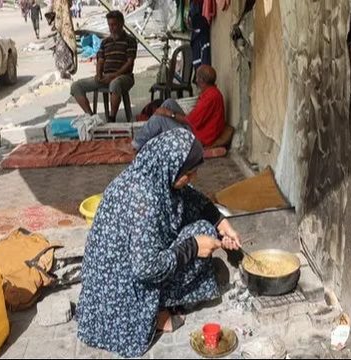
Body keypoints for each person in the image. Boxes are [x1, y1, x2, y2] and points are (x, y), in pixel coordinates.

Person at [77, 128, 241, 358]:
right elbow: (145, 268)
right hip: (121, 295)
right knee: (200, 234)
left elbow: (191, 197)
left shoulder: (152, 173)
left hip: (119, 276)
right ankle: (154, 314)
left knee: (204, 225)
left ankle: (159, 305)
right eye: (189, 173)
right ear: (171, 168)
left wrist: (221, 222)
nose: (193, 178)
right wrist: (193, 247)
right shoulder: (144, 200)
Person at [132, 65, 225, 151]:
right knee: (169, 102)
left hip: (196, 138)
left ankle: (135, 145)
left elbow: (190, 121)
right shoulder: (211, 92)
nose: (195, 80)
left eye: (197, 77)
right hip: (196, 129)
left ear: (201, 80)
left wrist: (169, 114)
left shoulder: (210, 97)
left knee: (160, 118)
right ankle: (147, 136)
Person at [70, 10, 137, 122]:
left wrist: (114, 75)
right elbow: (100, 60)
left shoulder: (130, 40)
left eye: (114, 24)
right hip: (106, 76)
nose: (112, 28)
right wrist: (99, 74)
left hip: (124, 77)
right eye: (110, 25)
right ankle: (91, 117)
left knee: (115, 84)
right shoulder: (105, 42)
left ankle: (112, 118)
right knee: (76, 86)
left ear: (121, 23)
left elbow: (129, 62)